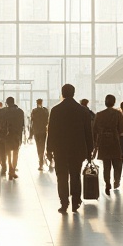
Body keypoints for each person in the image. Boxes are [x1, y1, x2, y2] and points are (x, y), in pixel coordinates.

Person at [46, 84, 94, 213]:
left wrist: (49, 149)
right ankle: (76, 202)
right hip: (78, 149)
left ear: (62, 93)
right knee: (75, 175)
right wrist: (90, 150)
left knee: (61, 177)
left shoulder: (56, 110)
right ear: (74, 93)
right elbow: (88, 132)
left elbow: (51, 131)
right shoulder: (82, 110)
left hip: (60, 149)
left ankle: (64, 203)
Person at [93, 94, 123, 195]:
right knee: (117, 164)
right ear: (114, 102)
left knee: (106, 165)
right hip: (115, 141)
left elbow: (95, 129)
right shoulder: (118, 114)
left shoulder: (99, 114)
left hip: (103, 142)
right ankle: (116, 181)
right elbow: (121, 128)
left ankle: (107, 183)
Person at [1, 96, 25, 179]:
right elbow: (22, 126)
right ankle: (13, 171)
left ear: (7, 103)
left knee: (8, 154)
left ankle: (10, 168)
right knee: (15, 153)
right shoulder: (20, 112)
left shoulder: (4, 112)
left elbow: (2, 125)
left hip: (7, 136)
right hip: (17, 136)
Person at [30, 98, 50, 170]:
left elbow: (31, 123)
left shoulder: (34, 111)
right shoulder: (45, 111)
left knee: (38, 146)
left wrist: (30, 134)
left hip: (36, 131)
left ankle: (41, 161)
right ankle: (41, 160)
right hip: (43, 131)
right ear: (42, 103)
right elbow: (47, 121)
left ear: (36, 103)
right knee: (43, 145)